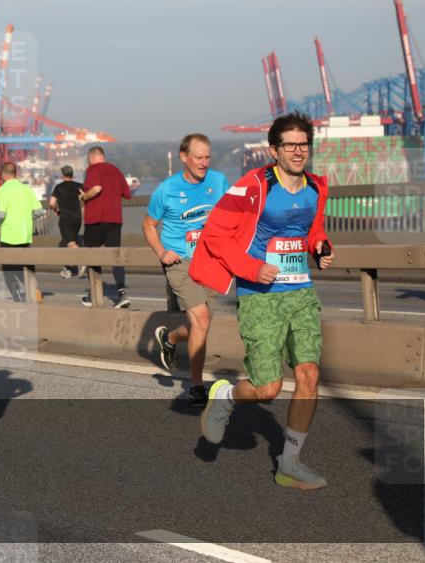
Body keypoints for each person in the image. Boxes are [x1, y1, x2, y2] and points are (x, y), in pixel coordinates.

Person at [193, 112, 334, 490]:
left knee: (309, 375)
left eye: (304, 144)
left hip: (301, 292)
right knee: (267, 388)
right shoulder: (253, 186)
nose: (298, 151)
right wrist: (251, 267)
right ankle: (224, 397)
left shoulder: (316, 187)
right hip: (261, 296)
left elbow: (311, 230)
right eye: (290, 145)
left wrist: (319, 247)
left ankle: (290, 463)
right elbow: (215, 236)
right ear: (274, 150)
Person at [142, 134, 229, 407]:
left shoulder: (219, 181)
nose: (204, 163)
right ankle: (197, 385)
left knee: (198, 323)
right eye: (198, 157)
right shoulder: (167, 189)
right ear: (184, 157)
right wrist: (161, 252)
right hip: (179, 261)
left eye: (207, 157)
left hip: (212, 260)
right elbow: (148, 224)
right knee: (201, 319)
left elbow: (231, 216)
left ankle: (169, 338)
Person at [80, 146, 137, 308]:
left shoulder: (93, 169)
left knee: (93, 257)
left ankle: (93, 296)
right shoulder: (116, 170)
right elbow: (127, 194)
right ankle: (122, 294)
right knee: (115, 257)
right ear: (103, 156)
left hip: (95, 220)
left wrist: (84, 196)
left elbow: (96, 188)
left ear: (91, 158)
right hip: (114, 220)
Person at [0, 161, 43, 302]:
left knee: (8, 269)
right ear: (16, 174)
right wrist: (28, 217)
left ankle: (17, 296)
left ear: (3, 175)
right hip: (25, 235)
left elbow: (1, 215)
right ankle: (34, 290)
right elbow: (40, 211)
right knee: (27, 265)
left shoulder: (2, 190)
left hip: (9, 235)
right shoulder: (26, 189)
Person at [49, 165, 85, 278]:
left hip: (66, 218)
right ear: (72, 174)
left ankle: (83, 261)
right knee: (68, 243)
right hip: (77, 218)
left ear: (62, 174)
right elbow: (85, 198)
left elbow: (51, 203)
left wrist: (57, 210)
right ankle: (69, 270)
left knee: (70, 243)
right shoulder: (79, 186)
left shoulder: (58, 187)